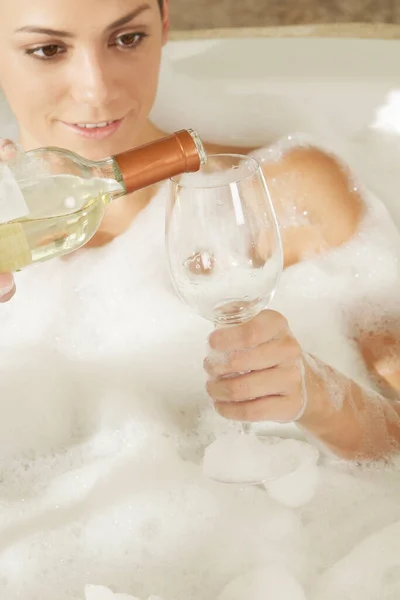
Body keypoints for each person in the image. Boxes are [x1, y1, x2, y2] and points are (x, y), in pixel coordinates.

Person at [0, 0, 399, 463]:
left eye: (127, 39)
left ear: (164, 25)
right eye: (48, 50)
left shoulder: (288, 194)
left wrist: (322, 396)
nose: (97, 91)